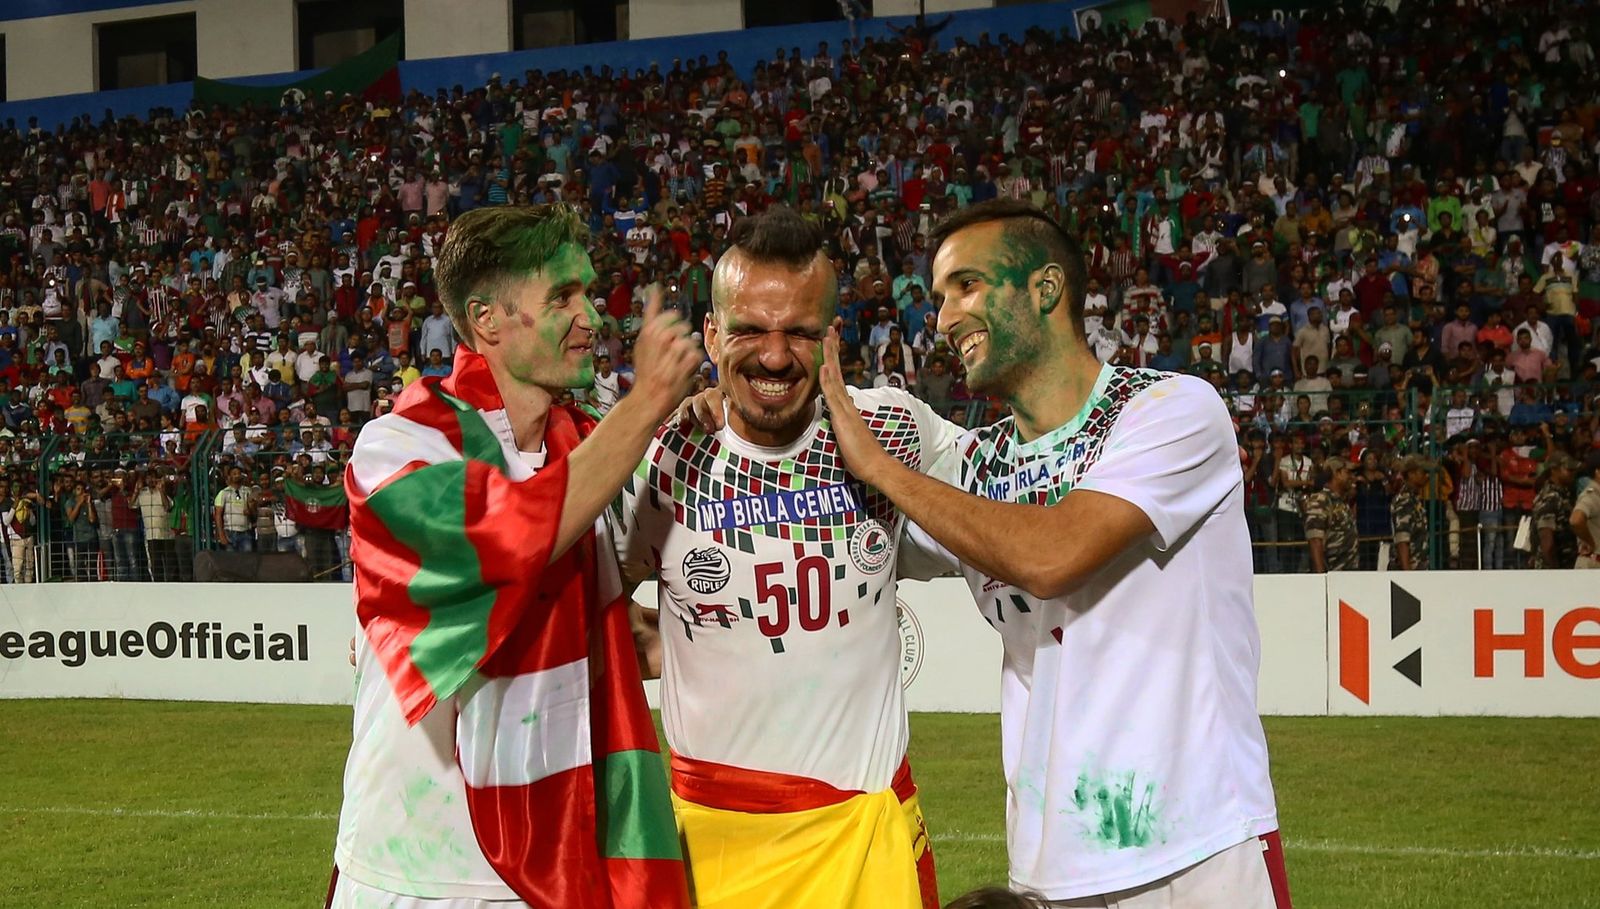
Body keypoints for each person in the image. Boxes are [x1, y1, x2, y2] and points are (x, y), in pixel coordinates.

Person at [815, 201, 1290, 907]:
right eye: (940, 298)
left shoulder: (1169, 411)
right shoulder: (974, 471)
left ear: (1044, 289)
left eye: (967, 287)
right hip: (1049, 870)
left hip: (1199, 854)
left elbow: (1054, 552)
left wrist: (883, 469)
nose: (942, 320)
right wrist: (723, 411)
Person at [329, 205, 697, 909]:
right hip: (415, 871)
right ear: (487, 320)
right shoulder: (397, 448)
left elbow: (616, 615)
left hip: (557, 869)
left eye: (590, 292)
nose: (592, 317)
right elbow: (505, 539)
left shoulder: (589, 452)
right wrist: (645, 404)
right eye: (562, 296)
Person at [614, 207, 954, 909]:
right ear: (711, 335)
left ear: (833, 337)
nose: (774, 355)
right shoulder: (665, 455)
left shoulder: (888, 427)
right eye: (748, 330)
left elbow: (1008, 521)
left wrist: (885, 475)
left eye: (799, 331)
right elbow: (578, 596)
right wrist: (666, 637)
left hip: (866, 848)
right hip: (714, 847)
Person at [1304, 458, 1359, 573]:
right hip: (1332, 572)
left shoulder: (1341, 502)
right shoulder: (1320, 500)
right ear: (1336, 473)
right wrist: (1321, 577)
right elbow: (1315, 540)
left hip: (1347, 573)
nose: (1352, 477)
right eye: (1347, 473)